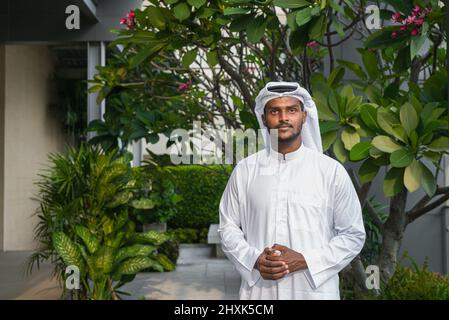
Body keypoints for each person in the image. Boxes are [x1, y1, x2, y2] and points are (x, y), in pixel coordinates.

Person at [218, 81, 366, 300]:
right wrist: (254, 259)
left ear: (304, 117)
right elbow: (227, 227)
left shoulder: (331, 172)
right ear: (263, 118)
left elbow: (353, 234)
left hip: (315, 293)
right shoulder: (245, 171)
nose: (283, 118)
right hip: (259, 294)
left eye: (292, 110)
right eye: (275, 111)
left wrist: (305, 260)